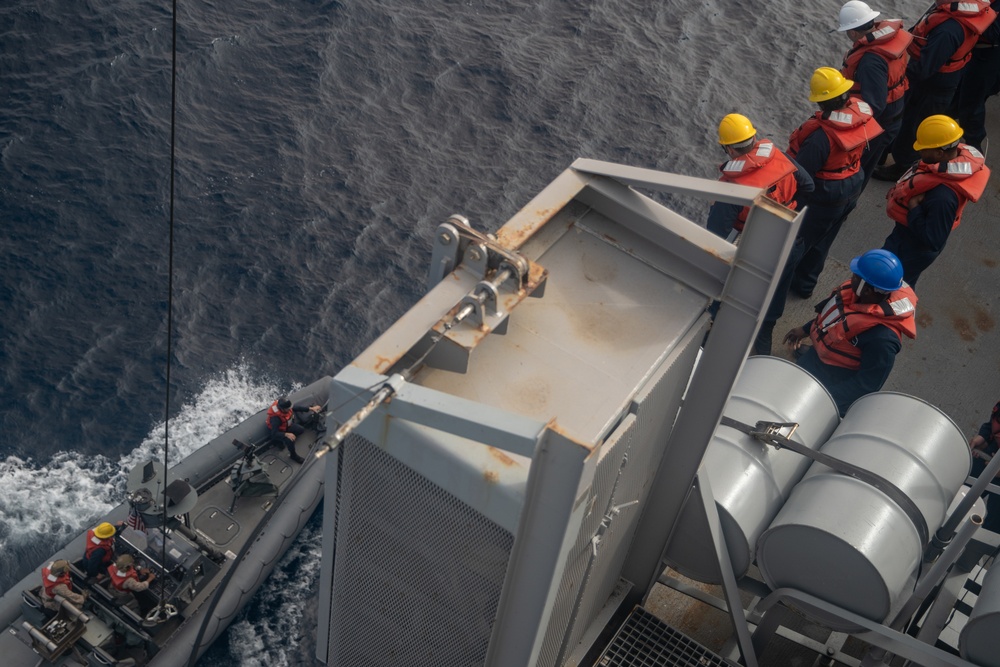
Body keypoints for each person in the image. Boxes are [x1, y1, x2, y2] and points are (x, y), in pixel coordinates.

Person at [755, 67, 883, 356]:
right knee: (824, 238)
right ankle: (806, 284)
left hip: (825, 195)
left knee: (798, 244)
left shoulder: (820, 137)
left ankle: (790, 283)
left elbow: (803, 175)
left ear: (821, 103)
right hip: (852, 184)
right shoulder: (862, 115)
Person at [783, 249, 916, 416]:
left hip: (835, 382)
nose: (851, 277)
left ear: (867, 289)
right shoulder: (859, 294)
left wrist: (825, 400)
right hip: (819, 358)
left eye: (855, 277)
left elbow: (867, 384)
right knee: (787, 387)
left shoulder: (882, 340)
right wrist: (806, 329)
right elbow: (835, 317)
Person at [874, 0, 996, 181]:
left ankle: (903, 166)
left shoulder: (948, 30)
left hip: (933, 84)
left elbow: (924, 68)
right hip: (941, 77)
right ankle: (887, 149)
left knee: (914, 124)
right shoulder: (955, 15)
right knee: (907, 116)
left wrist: (895, 74)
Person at [882, 115, 990, 286]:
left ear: (940, 153)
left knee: (889, 286)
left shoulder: (943, 197)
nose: (919, 152)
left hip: (913, 248)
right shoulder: (946, 162)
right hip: (905, 237)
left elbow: (933, 240)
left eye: (924, 149)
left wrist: (914, 207)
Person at [836, 1, 913, 191]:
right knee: (872, 158)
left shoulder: (870, 62)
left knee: (860, 168)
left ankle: (848, 201)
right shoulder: (887, 41)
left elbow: (874, 105)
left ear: (853, 33)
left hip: (880, 122)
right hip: (895, 109)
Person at [706, 113, 812, 241]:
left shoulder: (730, 189)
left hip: (756, 242)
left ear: (730, 149)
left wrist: (714, 205)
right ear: (754, 137)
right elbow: (808, 186)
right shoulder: (781, 157)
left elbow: (715, 234)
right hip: (789, 232)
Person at [954, 2, 1000, 151]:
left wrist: (963, 14)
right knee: (956, 102)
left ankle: (974, 152)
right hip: (978, 55)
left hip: (987, 58)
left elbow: (993, 33)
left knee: (972, 105)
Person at [969, 400, 1000, 532]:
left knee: (994, 525)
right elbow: (993, 424)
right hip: (994, 453)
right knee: (964, 490)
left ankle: (978, 549)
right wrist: (983, 437)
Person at [265, 395, 322, 463]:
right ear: (282, 409)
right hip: (278, 432)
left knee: (301, 430)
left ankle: (286, 439)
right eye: (287, 408)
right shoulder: (275, 419)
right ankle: (293, 455)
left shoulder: (287, 409)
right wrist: (286, 434)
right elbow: (274, 433)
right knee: (290, 440)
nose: (290, 409)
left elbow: (296, 408)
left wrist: (311, 408)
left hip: (286, 426)